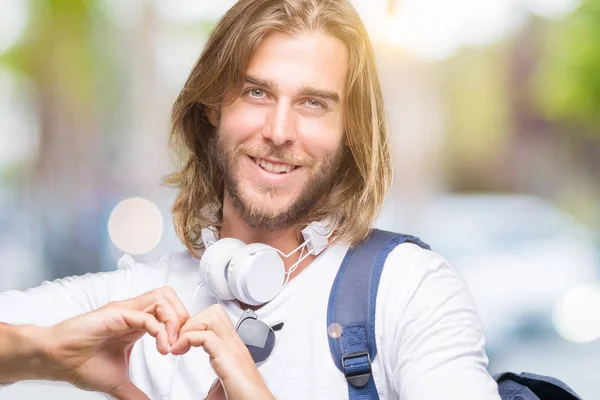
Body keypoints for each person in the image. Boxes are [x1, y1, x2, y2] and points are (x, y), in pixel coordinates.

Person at [0, 0, 501, 399]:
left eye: (312, 103)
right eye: (256, 93)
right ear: (213, 106)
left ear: (350, 132)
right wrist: (42, 352)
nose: (279, 131)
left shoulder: (408, 290)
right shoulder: (141, 305)